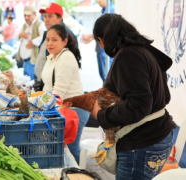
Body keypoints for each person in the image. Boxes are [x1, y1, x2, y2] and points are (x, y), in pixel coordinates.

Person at [91, 14, 177, 179]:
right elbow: (155, 97)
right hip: (158, 135)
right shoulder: (143, 51)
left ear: (101, 40)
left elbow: (139, 105)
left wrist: (101, 115)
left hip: (143, 142)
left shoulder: (127, 56)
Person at [42, 24, 88, 164]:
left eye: (54, 40)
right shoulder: (52, 57)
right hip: (61, 109)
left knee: (71, 149)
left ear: (64, 41)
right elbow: (47, 87)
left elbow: (58, 92)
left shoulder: (66, 58)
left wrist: (42, 107)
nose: (49, 43)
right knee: (63, 149)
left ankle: (80, 175)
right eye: (47, 39)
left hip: (73, 111)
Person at [34, 3, 78, 82]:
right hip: (43, 83)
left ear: (60, 18)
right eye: (45, 16)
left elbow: (66, 69)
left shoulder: (67, 35)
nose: (46, 19)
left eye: (50, 16)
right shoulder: (47, 33)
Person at [82, 0, 114, 82]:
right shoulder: (105, 10)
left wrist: (90, 36)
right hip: (101, 50)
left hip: (105, 51)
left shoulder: (110, 10)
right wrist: (92, 37)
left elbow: (104, 30)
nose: (98, 1)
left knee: (107, 78)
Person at [15, 5, 46, 80]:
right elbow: (15, 36)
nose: (26, 18)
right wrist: (20, 34)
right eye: (25, 15)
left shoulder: (40, 24)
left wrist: (33, 42)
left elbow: (44, 37)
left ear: (34, 15)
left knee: (32, 84)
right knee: (26, 84)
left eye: (28, 15)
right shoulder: (25, 26)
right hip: (25, 62)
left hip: (33, 61)